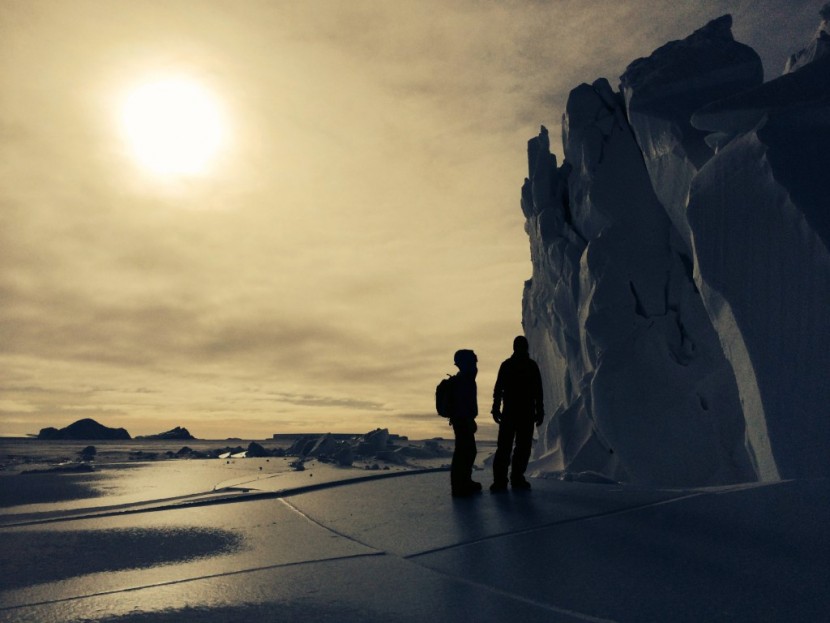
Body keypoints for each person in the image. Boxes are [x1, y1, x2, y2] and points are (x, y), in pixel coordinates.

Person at [490, 336, 544, 491]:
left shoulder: (508, 365)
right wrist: (539, 411)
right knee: (518, 447)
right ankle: (514, 478)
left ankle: (504, 480)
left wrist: (496, 408)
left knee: (509, 446)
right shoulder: (530, 366)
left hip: (513, 412)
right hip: (523, 413)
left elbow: (498, 389)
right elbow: (538, 391)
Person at [449, 349, 481, 497]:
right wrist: (469, 419)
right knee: (464, 451)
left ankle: (463, 482)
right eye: (474, 361)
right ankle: (460, 485)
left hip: (461, 418)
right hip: (463, 419)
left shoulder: (465, 378)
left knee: (466, 451)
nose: (476, 364)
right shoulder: (464, 380)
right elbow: (463, 402)